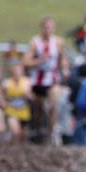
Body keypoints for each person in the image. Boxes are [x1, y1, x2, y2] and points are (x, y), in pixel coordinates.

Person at [23, 16, 70, 144]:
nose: (48, 30)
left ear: (53, 28)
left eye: (50, 27)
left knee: (54, 105)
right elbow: (25, 61)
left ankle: (52, 132)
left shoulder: (58, 42)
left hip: (52, 80)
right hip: (37, 81)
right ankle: (38, 131)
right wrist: (39, 60)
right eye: (45, 27)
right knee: (38, 109)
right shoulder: (35, 42)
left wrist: (65, 68)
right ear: (41, 28)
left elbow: (63, 58)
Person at [0, 63, 32, 143]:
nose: (17, 73)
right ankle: (13, 148)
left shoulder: (27, 81)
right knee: (16, 131)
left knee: (24, 135)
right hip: (11, 109)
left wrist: (28, 95)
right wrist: (2, 101)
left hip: (24, 110)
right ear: (12, 72)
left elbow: (31, 96)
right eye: (15, 71)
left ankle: (18, 148)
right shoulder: (7, 82)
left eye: (19, 71)